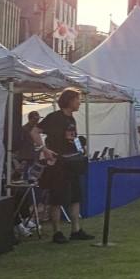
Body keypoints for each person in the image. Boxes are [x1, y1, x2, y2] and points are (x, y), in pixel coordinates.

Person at [38, 89, 93, 244]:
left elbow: (72, 139)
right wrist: (44, 149)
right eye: (77, 99)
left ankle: (76, 230)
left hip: (72, 163)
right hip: (57, 164)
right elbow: (34, 132)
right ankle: (57, 232)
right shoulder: (54, 117)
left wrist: (81, 148)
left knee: (76, 197)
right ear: (69, 100)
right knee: (57, 198)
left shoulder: (72, 119)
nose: (79, 102)